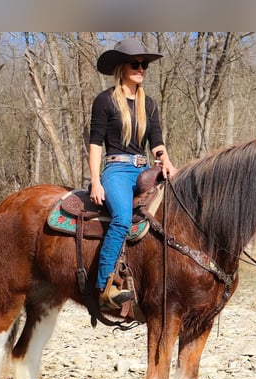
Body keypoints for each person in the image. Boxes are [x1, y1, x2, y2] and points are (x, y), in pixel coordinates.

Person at [89, 37, 177, 310]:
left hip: (144, 171)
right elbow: (95, 144)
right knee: (123, 218)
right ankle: (104, 287)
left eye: (144, 65)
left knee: (173, 215)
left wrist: (167, 162)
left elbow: (157, 141)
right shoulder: (105, 101)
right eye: (135, 64)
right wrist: (95, 181)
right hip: (116, 169)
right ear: (122, 68)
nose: (141, 69)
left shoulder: (148, 104)